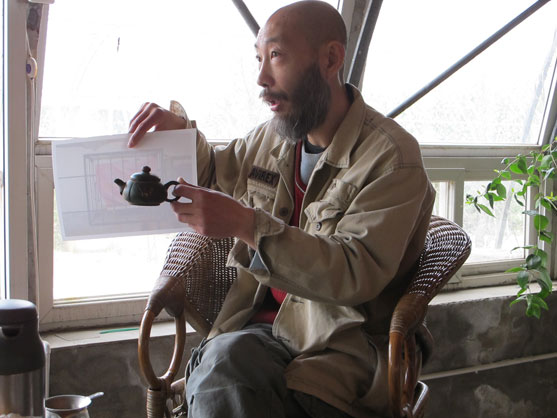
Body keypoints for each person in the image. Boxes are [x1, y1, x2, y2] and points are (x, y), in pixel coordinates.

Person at [128, 1, 435, 417]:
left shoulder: (392, 159)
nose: (261, 77)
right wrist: (180, 134)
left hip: (338, 352)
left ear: (331, 59)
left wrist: (247, 225)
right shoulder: (273, 138)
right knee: (225, 366)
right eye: (259, 59)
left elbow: (352, 271)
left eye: (276, 55)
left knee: (222, 370)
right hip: (253, 333)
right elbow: (216, 173)